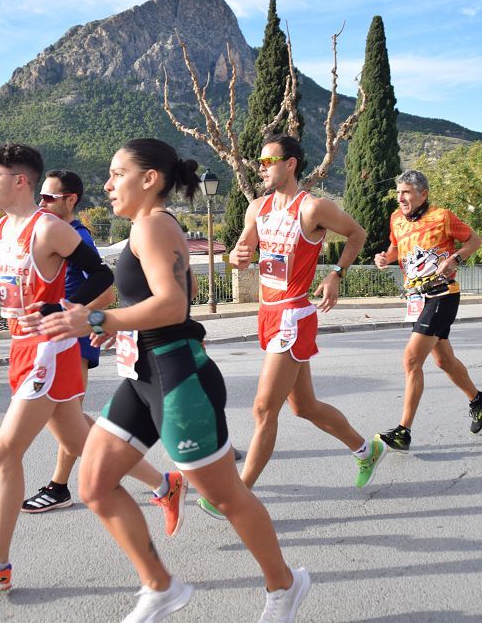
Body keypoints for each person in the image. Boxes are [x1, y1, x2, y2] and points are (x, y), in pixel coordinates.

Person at [35, 138, 310, 622]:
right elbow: (185, 290)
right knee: (96, 484)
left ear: (149, 179)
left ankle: (285, 586)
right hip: (144, 372)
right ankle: (160, 586)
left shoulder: (154, 226)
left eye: (116, 173)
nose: (107, 184)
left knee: (226, 497)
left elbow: (173, 305)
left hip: (179, 377)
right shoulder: (152, 228)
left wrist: (101, 322)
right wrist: (120, 327)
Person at [0, 144, 180, 593]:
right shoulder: (1, 230)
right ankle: (165, 484)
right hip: (21, 346)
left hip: (48, 349)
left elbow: (102, 279)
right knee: (76, 438)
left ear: (20, 181)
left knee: (4, 452)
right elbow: (19, 288)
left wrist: (64, 309)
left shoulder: (48, 229)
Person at [199, 134, 386, 522]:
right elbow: (241, 259)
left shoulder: (314, 208)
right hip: (266, 313)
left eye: (269, 161)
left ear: (292, 164)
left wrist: (336, 273)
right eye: (260, 162)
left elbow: (357, 234)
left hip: (294, 315)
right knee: (304, 406)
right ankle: (367, 450)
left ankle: (235, 495)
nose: (262, 167)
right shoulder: (257, 208)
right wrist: (235, 257)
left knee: (264, 408)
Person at [22, 170, 185, 536]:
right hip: (51, 340)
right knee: (69, 422)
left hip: (70, 340)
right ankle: (155, 482)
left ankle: (62, 486)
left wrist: (86, 319)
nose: (42, 204)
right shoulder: (48, 234)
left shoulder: (77, 238)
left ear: (70, 200)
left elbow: (106, 291)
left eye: (49, 198)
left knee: (71, 423)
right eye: (41, 198)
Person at [374, 169, 482, 451]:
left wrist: (455, 258)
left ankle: (404, 431)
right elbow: (395, 249)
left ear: (423, 194)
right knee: (443, 361)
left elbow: (474, 241)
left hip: (443, 294)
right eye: (398, 192)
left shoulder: (442, 217)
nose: (401, 197)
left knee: (412, 360)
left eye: (406, 192)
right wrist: (385, 257)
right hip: (416, 299)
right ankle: (478, 399)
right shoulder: (396, 219)